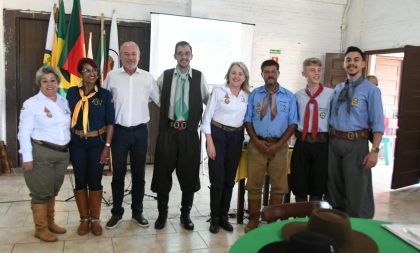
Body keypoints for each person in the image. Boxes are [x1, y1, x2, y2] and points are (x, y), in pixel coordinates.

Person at [151, 41, 209, 230]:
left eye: (187, 53)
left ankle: (186, 215)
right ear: (174, 56)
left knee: (189, 175)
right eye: (180, 53)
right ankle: (162, 214)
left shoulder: (199, 77)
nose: (183, 57)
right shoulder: (165, 76)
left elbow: (209, 101)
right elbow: (153, 94)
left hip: (190, 134)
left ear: (192, 56)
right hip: (168, 132)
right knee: (162, 175)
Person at [104, 41, 160, 229]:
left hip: (140, 132)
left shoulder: (147, 78)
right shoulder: (111, 77)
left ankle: (137, 212)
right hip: (119, 133)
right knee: (118, 175)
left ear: (139, 56)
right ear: (120, 56)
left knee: (139, 174)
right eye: (126, 54)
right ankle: (117, 212)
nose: (130, 57)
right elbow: (104, 102)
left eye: (133, 54)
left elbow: (160, 101)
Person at [327, 46, 384, 218]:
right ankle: (338, 224)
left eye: (356, 60)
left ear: (363, 63)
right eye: (348, 60)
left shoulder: (371, 90)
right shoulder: (338, 88)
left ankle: (358, 228)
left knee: (357, 189)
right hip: (335, 142)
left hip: (356, 144)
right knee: (335, 187)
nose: (352, 63)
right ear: (344, 64)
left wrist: (374, 151)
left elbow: (378, 124)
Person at [244, 59, 298, 232]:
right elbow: (247, 120)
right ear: (262, 75)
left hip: (279, 145)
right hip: (256, 144)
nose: (270, 75)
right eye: (266, 72)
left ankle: (272, 222)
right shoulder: (255, 95)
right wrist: (257, 141)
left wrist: (279, 145)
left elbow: (292, 124)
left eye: (273, 72)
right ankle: (253, 220)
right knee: (253, 184)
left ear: (278, 74)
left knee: (279, 186)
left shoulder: (289, 96)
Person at [17, 66, 71, 242]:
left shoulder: (63, 102)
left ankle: (50, 222)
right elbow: (23, 132)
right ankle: (40, 228)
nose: (49, 84)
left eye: (53, 80)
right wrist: (27, 158)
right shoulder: (31, 104)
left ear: (58, 82)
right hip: (41, 153)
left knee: (52, 190)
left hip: (61, 154)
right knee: (40, 192)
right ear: (39, 84)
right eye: (45, 81)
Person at [67, 58, 115, 236]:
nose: (92, 73)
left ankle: (95, 218)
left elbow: (111, 123)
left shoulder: (105, 95)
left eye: (94, 70)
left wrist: (107, 147)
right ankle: (83, 218)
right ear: (80, 74)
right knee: (80, 180)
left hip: (97, 143)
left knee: (95, 180)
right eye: (87, 70)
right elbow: (66, 117)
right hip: (77, 143)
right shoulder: (72, 93)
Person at [201, 62, 250, 233]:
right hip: (217, 136)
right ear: (228, 74)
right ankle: (214, 219)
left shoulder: (247, 95)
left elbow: (247, 120)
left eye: (240, 74)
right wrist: (210, 143)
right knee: (217, 181)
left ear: (245, 77)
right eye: (234, 73)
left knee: (230, 180)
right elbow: (206, 119)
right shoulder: (219, 91)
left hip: (236, 138)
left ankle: (223, 217)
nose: (236, 76)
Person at [290, 58, 334, 202]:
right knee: (299, 183)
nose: (316, 73)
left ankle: (314, 219)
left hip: (322, 144)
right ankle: (300, 218)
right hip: (302, 143)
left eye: (318, 70)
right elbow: (293, 119)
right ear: (304, 73)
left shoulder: (331, 94)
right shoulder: (298, 96)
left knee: (318, 184)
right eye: (312, 70)